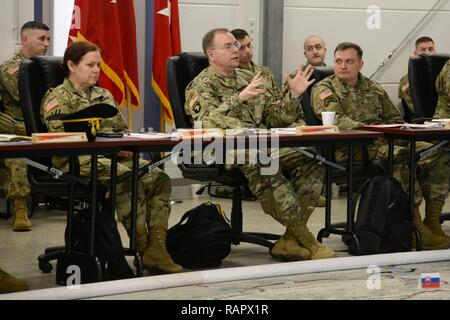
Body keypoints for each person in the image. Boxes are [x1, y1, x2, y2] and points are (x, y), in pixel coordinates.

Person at [185, 28, 336, 261]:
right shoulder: (201, 85)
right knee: (265, 162)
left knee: (311, 159)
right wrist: (239, 98)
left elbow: (274, 118)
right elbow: (206, 122)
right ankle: (306, 239)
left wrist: (294, 96)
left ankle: (288, 239)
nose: (236, 50)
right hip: (223, 150)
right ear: (211, 54)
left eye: (236, 45)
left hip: (262, 143)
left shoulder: (250, 79)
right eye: (228, 46)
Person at [40, 41, 182, 274]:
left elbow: (121, 131)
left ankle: (157, 248)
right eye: (90, 65)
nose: (96, 70)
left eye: (98, 64)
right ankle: (143, 246)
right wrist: (110, 149)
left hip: (112, 158)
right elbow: (62, 140)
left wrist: (124, 145)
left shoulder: (103, 95)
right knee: (126, 177)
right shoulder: (57, 98)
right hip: (76, 161)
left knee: (158, 178)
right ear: (71, 65)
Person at [311, 42, 450, 248]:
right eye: (339, 61)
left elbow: (394, 117)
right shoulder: (325, 88)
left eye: (349, 61)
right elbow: (337, 120)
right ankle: (414, 226)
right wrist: (376, 132)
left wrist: (403, 133)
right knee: (403, 158)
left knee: (438, 154)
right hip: (354, 149)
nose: (343, 66)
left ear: (360, 64)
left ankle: (432, 219)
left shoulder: (373, 88)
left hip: (386, 143)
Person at [0, 21, 51, 231]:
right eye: (41, 39)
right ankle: (19, 209)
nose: (46, 44)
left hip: (45, 130)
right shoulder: (12, 69)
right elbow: (31, 97)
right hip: (17, 130)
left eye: (48, 39)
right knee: (16, 159)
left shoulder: (45, 68)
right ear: (25, 40)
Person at [398, 36, 436, 117]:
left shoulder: (442, 74)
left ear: (435, 51)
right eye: (423, 50)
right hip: (421, 122)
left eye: (430, 49)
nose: (427, 52)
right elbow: (418, 108)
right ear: (416, 53)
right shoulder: (408, 80)